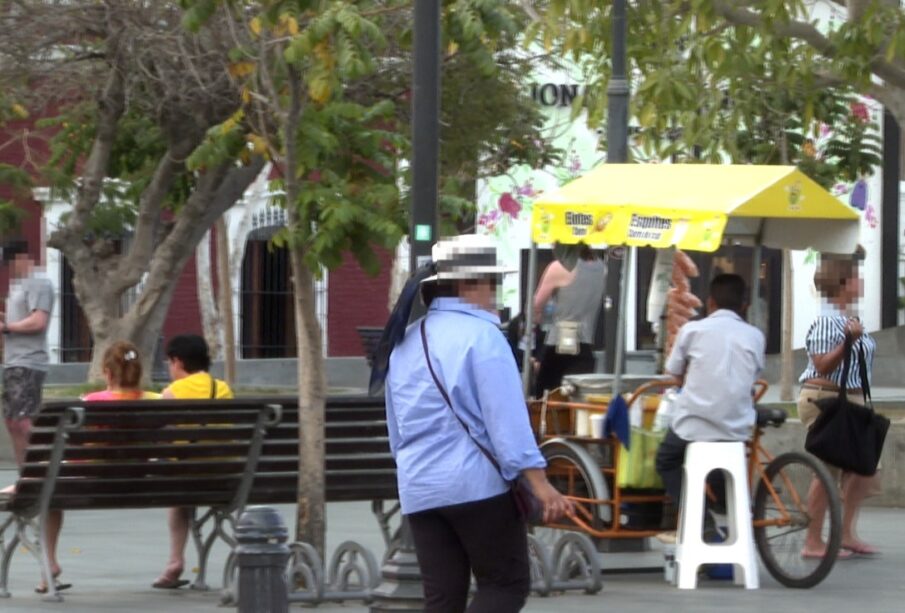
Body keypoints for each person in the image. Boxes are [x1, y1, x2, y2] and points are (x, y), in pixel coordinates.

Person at [385, 234, 573, 612]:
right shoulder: (483, 336)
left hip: (420, 486)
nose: (495, 293)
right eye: (492, 282)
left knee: (443, 598)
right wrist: (539, 483)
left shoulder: (405, 340)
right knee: (505, 584)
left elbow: (397, 426)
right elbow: (506, 420)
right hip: (476, 485)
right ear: (469, 285)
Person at [654, 274, 765, 539]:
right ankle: (726, 503)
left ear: (710, 302)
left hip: (695, 423)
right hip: (737, 426)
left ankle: (700, 516)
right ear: (745, 305)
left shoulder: (692, 331)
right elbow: (754, 376)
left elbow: (675, 375)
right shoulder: (755, 335)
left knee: (667, 460)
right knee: (722, 458)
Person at [798, 248, 878, 559]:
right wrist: (848, 342)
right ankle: (813, 540)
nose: (861, 282)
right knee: (826, 471)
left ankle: (845, 533)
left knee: (864, 471)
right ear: (843, 283)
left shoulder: (849, 319)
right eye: (856, 277)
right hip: (827, 399)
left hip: (852, 400)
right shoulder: (827, 322)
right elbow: (821, 365)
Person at [154, 334, 233, 589]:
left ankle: (176, 559)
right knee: (186, 480)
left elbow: (157, 436)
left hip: (184, 480)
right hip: (223, 478)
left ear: (177, 361)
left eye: (169, 362)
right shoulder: (222, 388)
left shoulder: (171, 393)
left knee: (179, 493)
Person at [1, 240, 54, 466]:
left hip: (29, 362)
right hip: (13, 361)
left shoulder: (39, 283)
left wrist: (7, 327)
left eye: (10, 263)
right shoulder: (18, 286)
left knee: (23, 421)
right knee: (13, 421)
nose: (9, 268)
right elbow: (19, 321)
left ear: (22, 257)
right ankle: (26, 477)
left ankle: (44, 469)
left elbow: (38, 321)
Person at [532, 245, 605, 397]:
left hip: (558, 346)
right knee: (577, 406)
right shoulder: (602, 268)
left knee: (545, 404)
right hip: (586, 346)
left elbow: (535, 308)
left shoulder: (558, 268)